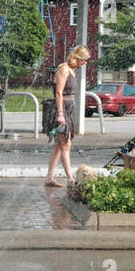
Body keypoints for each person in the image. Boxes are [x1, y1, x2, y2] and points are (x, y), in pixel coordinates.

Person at [43, 44, 91, 188]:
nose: (85, 63)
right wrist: (60, 114)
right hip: (61, 109)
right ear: (78, 58)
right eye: (84, 60)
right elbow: (58, 93)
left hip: (69, 109)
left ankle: (49, 178)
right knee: (66, 144)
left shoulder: (72, 70)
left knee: (59, 145)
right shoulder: (63, 69)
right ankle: (70, 178)